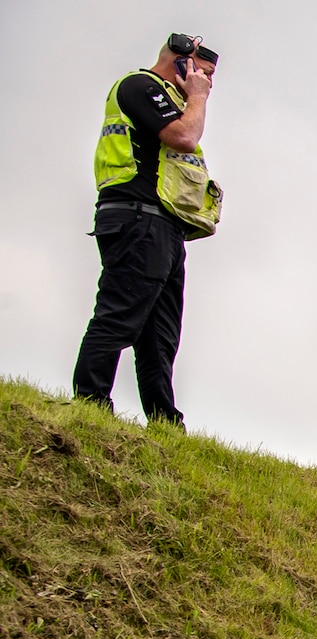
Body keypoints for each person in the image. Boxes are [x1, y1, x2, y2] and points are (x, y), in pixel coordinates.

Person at [74, 34, 222, 425]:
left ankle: (164, 422)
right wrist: (198, 97)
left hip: (166, 227)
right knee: (119, 315)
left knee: (160, 336)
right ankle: (90, 405)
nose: (206, 83)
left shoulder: (176, 103)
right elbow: (183, 137)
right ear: (180, 64)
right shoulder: (140, 86)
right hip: (137, 218)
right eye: (201, 73)